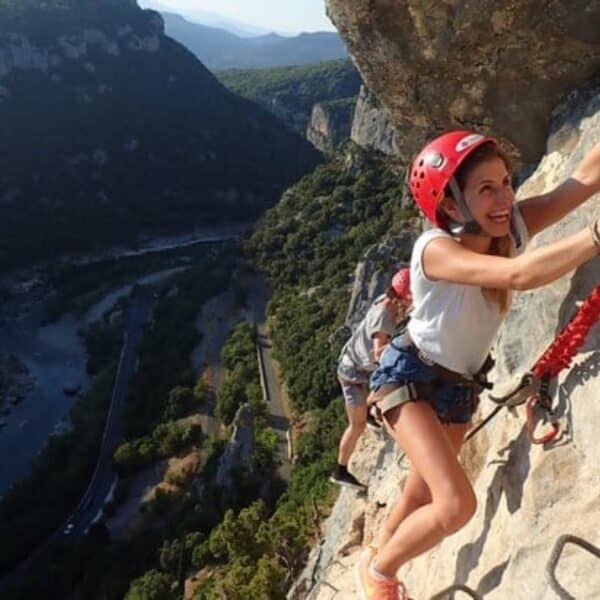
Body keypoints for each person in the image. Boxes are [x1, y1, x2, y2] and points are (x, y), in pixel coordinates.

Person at [355, 130, 600, 600]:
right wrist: (595, 236)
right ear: (450, 206)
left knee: (421, 491)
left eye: (506, 182)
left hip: (455, 386)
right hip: (408, 378)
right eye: (486, 188)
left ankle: (381, 551)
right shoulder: (434, 249)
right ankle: (381, 574)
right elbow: (517, 275)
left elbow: (583, 180)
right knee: (455, 505)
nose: (505, 197)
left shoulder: (505, 228)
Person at [330, 268, 413, 492]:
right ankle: (340, 470)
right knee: (356, 425)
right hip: (352, 374)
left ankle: (367, 414)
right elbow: (379, 352)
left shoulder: (385, 299)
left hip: (358, 365)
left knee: (367, 406)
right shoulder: (385, 316)